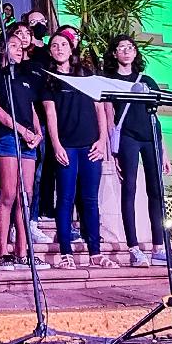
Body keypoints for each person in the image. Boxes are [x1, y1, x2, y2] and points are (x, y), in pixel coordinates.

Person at [40, 32, 114, 268]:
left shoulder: (86, 75)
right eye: (55, 45)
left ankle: (95, 252)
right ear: (50, 51)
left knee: (90, 200)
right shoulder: (48, 79)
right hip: (67, 146)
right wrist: (56, 145)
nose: (60, 48)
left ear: (71, 49)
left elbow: (100, 109)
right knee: (65, 199)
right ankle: (65, 253)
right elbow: (50, 115)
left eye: (64, 44)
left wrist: (102, 140)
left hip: (90, 145)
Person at [107, 35, 172, 267]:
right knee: (129, 189)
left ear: (136, 53)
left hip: (151, 138)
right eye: (121, 48)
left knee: (156, 191)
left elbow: (155, 117)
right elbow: (109, 116)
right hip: (128, 137)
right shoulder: (111, 81)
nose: (126, 51)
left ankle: (159, 248)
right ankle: (134, 248)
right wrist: (112, 151)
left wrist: (163, 150)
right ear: (114, 54)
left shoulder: (147, 80)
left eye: (130, 47)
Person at [0, 25, 46, 270]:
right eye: (13, 46)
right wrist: (21, 130)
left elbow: (31, 110)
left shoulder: (26, 78)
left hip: (28, 140)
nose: (19, 50)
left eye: (21, 47)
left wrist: (38, 133)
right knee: (9, 194)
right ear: (3, 49)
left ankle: (23, 252)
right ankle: (3, 252)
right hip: (8, 139)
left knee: (26, 196)